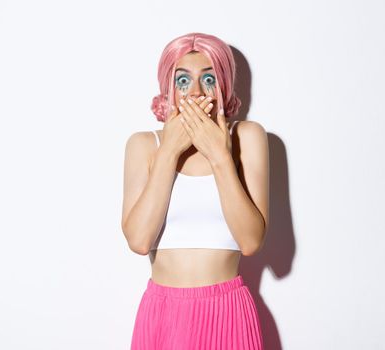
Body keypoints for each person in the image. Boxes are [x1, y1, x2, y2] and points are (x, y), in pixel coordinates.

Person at [122, 32, 269, 349]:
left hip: (227, 313)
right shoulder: (145, 145)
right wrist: (169, 152)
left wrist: (219, 155)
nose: (197, 92)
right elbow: (138, 240)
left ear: (225, 84)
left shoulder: (248, 137)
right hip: (163, 314)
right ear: (168, 88)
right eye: (183, 81)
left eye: (209, 78)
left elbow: (251, 241)